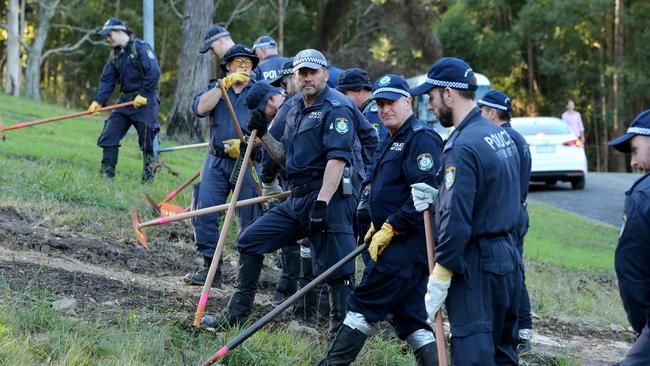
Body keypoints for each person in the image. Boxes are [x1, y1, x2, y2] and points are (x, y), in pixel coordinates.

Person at [203, 49, 360, 336]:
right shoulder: (295, 106)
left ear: (325, 73)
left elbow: (337, 160)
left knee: (338, 273)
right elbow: (286, 158)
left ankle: (339, 339)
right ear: (295, 76)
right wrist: (263, 133)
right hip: (298, 198)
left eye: (313, 72)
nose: (307, 78)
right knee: (250, 240)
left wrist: (323, 203)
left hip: (331, 198)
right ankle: (236, 315)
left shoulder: (337, 107)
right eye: (302, 73)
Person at [317, 74, 443, 365]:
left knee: (362, 304)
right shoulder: (393, 136)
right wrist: (378, 221)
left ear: (408, 101)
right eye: (381, 104)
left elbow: (424, 198)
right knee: (410, 318)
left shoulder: (420, 138)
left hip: (406, 246)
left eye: (392, 102)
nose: (385, 109)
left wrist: (392, 225)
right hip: (393, 242)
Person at [411, 57, 523, 364]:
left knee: (474, 356)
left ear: (448, 94)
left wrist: (441, 274)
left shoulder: (461, 145)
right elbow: (491, 196)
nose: (430, 106)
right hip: (508, 257)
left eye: (431, 97)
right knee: (502, 353)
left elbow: (458, 219)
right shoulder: (499, 135)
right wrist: (439, 198)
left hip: (477, 266)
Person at [183, 42, 262, 288]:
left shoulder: (261, 92)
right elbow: (199, 108)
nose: (242, 66)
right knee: (204, 210)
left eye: (247, 62)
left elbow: (276, 127)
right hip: (216, 160)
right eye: (237, 62)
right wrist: (223, 85)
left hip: (247, 160)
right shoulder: (216, 89)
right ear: (227, 67)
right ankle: (210, 269)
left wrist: (249, 143)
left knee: (250, 218)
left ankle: (245, 278)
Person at [478, 90, 533, 352]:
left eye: (482, 110)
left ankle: (518, 329)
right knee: (515, 269)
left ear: (491, 112)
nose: (479, 115)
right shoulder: (518, 138)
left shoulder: (500, 139)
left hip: (507, 215)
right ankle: (522, 328)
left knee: (510, 273)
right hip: (518, 211)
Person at [88, 18, 161, 183]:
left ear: (120, 31)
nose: (108, 39)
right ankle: (106, 178)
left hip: (145, 101)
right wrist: (98, 101)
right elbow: (107, 80)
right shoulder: (115, 55)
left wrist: (143, 94)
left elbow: (154, 72)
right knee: (109, 135)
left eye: (110, 35)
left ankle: (147, 182)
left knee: (147, 142)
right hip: (125, 101)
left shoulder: (141, 48)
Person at [608, 109, 650, 366]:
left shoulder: (643, 196)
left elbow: (632, 272)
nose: (633, 163)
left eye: (635, 150)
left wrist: (642, 326)